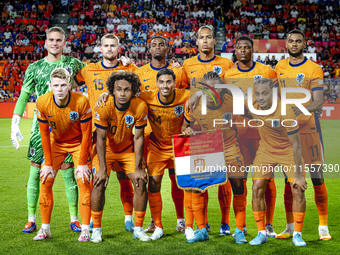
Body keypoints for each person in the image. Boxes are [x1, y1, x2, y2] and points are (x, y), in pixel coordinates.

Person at [10, 26, 85, 234]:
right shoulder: (34, 68)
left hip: (67, 127)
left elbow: (95, 72)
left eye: (58, 40)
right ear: (45, 43)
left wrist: (121, 63)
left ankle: (74, 219)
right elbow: (24, 95)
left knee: (68, 174)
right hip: (39, 128)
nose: (54, 43)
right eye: (51, 40)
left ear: (64, 43)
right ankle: (31, 219)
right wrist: (15, 120)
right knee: (36, 172)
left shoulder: (73, 64)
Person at [74, 34, 138, 232]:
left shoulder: (129, 68)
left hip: (124, 132)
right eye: (106, 45)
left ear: (119, 49)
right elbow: (72, 83)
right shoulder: (87, 69)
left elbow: (143, 85)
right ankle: (94, 220)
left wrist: (133, 63)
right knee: (99, 178)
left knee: (124, 178)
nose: (109, 49)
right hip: (97, 133)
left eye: (113, 46)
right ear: (100, 49)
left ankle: (129, 219)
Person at [275, 29, 331, 241]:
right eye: (291, 41)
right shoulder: (279, 67)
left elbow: (318, 102)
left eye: (298, 41)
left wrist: (298, 109)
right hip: (287, 133)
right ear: (286, 44)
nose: (295, 44)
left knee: (317, 178)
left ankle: (323, 227)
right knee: (289, 181)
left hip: (310, 131)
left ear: (304, 43)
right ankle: (290, 227)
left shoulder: (314, 68)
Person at [181, 71, 248, 244]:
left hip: (230, 147)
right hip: (208, 149)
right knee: (197, 188)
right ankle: (202, 229)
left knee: (238, 185)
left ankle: (239, 229)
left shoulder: (232, 101)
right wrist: (187, 130)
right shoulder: (194, 105)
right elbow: (184, 127)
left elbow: (252, 113)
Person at [223, 35, 278, 237]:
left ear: (252, 49)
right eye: (240, 47)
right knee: (240, 181)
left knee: (267, 180)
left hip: (264, 135)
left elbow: (277, 98)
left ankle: (269, 223)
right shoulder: (227, 75)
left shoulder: (266, 71)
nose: (243, 50)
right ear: (235, 50)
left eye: (247, 47)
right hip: (239, 135)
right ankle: (242, 224)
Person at [181, 25, 234, 235]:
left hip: (221, 124)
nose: (205, 41)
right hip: (196, 127)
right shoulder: (187, 64)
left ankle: (225, 222)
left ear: (214, 41)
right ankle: (197, 223)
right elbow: (183, 89)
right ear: (196, 42)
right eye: (201, 37)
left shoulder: (226, 63)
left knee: (224, 180)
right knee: (198, 179)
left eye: (208, 37)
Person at [247, 78, 307, 247]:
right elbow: (224, 99)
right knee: (256, 186)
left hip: (288, 150)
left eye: (264, 93)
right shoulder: (252, 104)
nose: (260, 97)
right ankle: (261, 233)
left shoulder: (286, 111)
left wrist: (298, 175)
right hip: (266, 149)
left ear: (272, 93)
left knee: (297, 189)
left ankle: (297, 234)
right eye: (257, 93)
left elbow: (296, 144)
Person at [34, 68, 92, 241]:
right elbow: (44, 133)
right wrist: (49, 163)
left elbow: (87, 133)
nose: (59, 89)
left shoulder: (81, 101)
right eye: (56, 85)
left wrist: (82, 163)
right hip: (56, 143)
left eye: (63, 85)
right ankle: (45, 229)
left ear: (69, 85)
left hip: (78, 143)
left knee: (84, 181)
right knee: (46, 179)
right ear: (50, 85)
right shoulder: (42, 102)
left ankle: (86, 229)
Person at [90, 71, 149, 243]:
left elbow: (138, 137)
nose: (122, 94)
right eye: (118, 89)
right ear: (112, 90)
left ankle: (138, 228)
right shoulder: (103, 105)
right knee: (99, 181)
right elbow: (100, 138)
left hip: (128, 150)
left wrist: (138, 167)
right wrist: (102, 168)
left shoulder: (139, 106)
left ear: (133, 90)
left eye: (127, 90)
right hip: (106, 150)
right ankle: (97, 229)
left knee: (140, 181)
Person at [135, 35, 185, 233]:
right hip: (151, 136)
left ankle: (182, 220)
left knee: (178, 180)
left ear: (167, 48)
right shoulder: (139, 73)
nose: (157, 47)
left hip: (177, 135)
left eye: (161, 44)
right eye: (153, 44)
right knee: (153, 181)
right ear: (149, 49)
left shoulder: (179, 72)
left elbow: (189, 93)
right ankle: (155, 222)